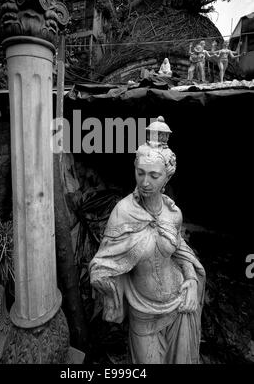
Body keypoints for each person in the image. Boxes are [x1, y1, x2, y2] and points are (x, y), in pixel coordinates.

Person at [89, 117, 205, 364]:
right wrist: (106, 283)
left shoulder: (173, 213)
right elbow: (102, 264)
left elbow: (181, 252)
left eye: (154, 175)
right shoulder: (123, 213)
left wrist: (192, 280)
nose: (145, 182)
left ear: (167, 177)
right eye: (140, 173)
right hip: (143, 312)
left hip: (178, 305)